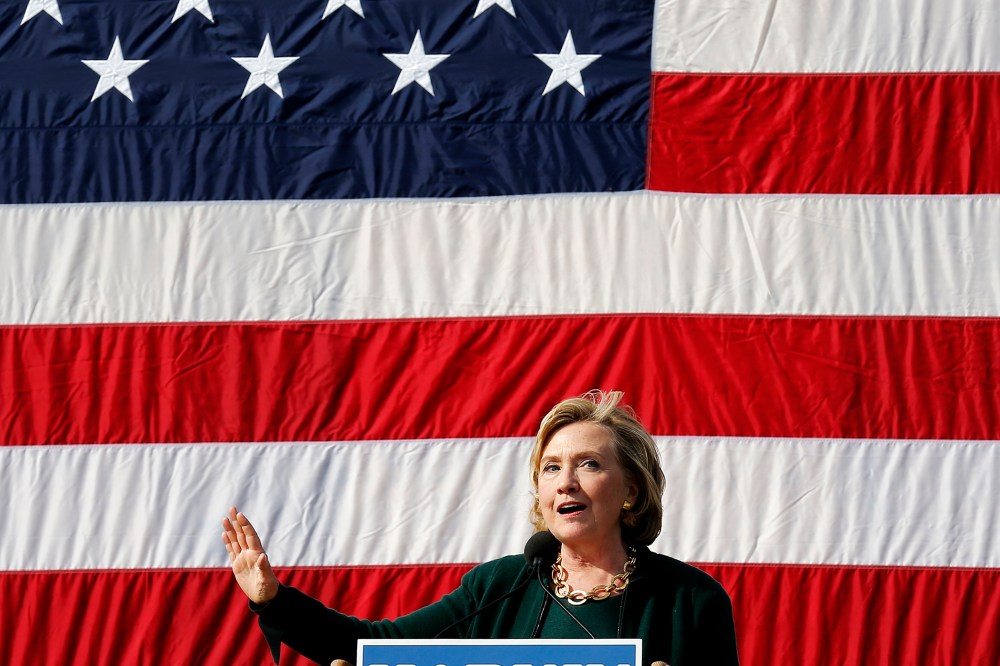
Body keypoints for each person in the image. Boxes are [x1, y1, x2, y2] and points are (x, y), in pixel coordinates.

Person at [223, 390, 739, 665]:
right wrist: (274, 600)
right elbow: (376, 648)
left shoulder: (690, 601)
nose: (566, 484)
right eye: (552, 468)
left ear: (630, 491)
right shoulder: (497, 588)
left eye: (589, 465)